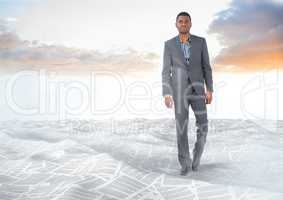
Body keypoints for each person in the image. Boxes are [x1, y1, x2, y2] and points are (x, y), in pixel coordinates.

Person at [162, 11, 213, 175]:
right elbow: (166, 71)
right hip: (179, 92)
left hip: (198, 90)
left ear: (190, 24)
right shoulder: (169, 45)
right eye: (180, 21)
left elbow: (207, 67)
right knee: (181, 129)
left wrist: (209, 89)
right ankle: (185, 164)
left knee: (203, 126)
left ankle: (196, 157)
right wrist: (167, 93)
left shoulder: (201, 42)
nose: (183, 24)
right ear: (176, 24)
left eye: (186, 22)